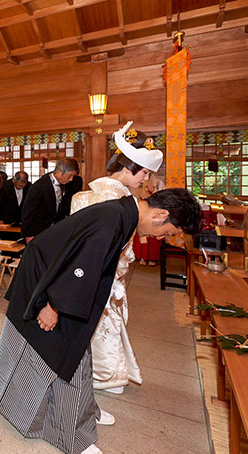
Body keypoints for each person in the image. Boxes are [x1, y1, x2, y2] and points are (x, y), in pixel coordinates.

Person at [0, 188, 201, 454]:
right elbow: (80, 267)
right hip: (51, 285)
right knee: (66, 357)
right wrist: (52, 306)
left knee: (78, 353)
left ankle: (84, 413)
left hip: (55, 280)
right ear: (161, 214)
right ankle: (70, 430)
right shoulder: (114, 218)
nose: (162, 237)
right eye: (168, 231)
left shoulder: (123, 213)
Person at [70, 122, 162, 395]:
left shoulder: (117, 195)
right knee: (103, 322)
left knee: (106, 322)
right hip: (101, 268)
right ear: (128, 168)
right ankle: (103, 375)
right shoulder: (110, 199)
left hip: (106, 268)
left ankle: (105, 373)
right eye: (144, 172)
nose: (145, 179)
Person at [20, 159, 82, 243]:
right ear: (59, 172)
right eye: (70, 175)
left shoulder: (66, 185)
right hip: (38, 231)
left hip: (54, 230)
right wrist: (28, 235)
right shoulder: (39, 186)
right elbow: (27, 212)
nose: (71, 179)